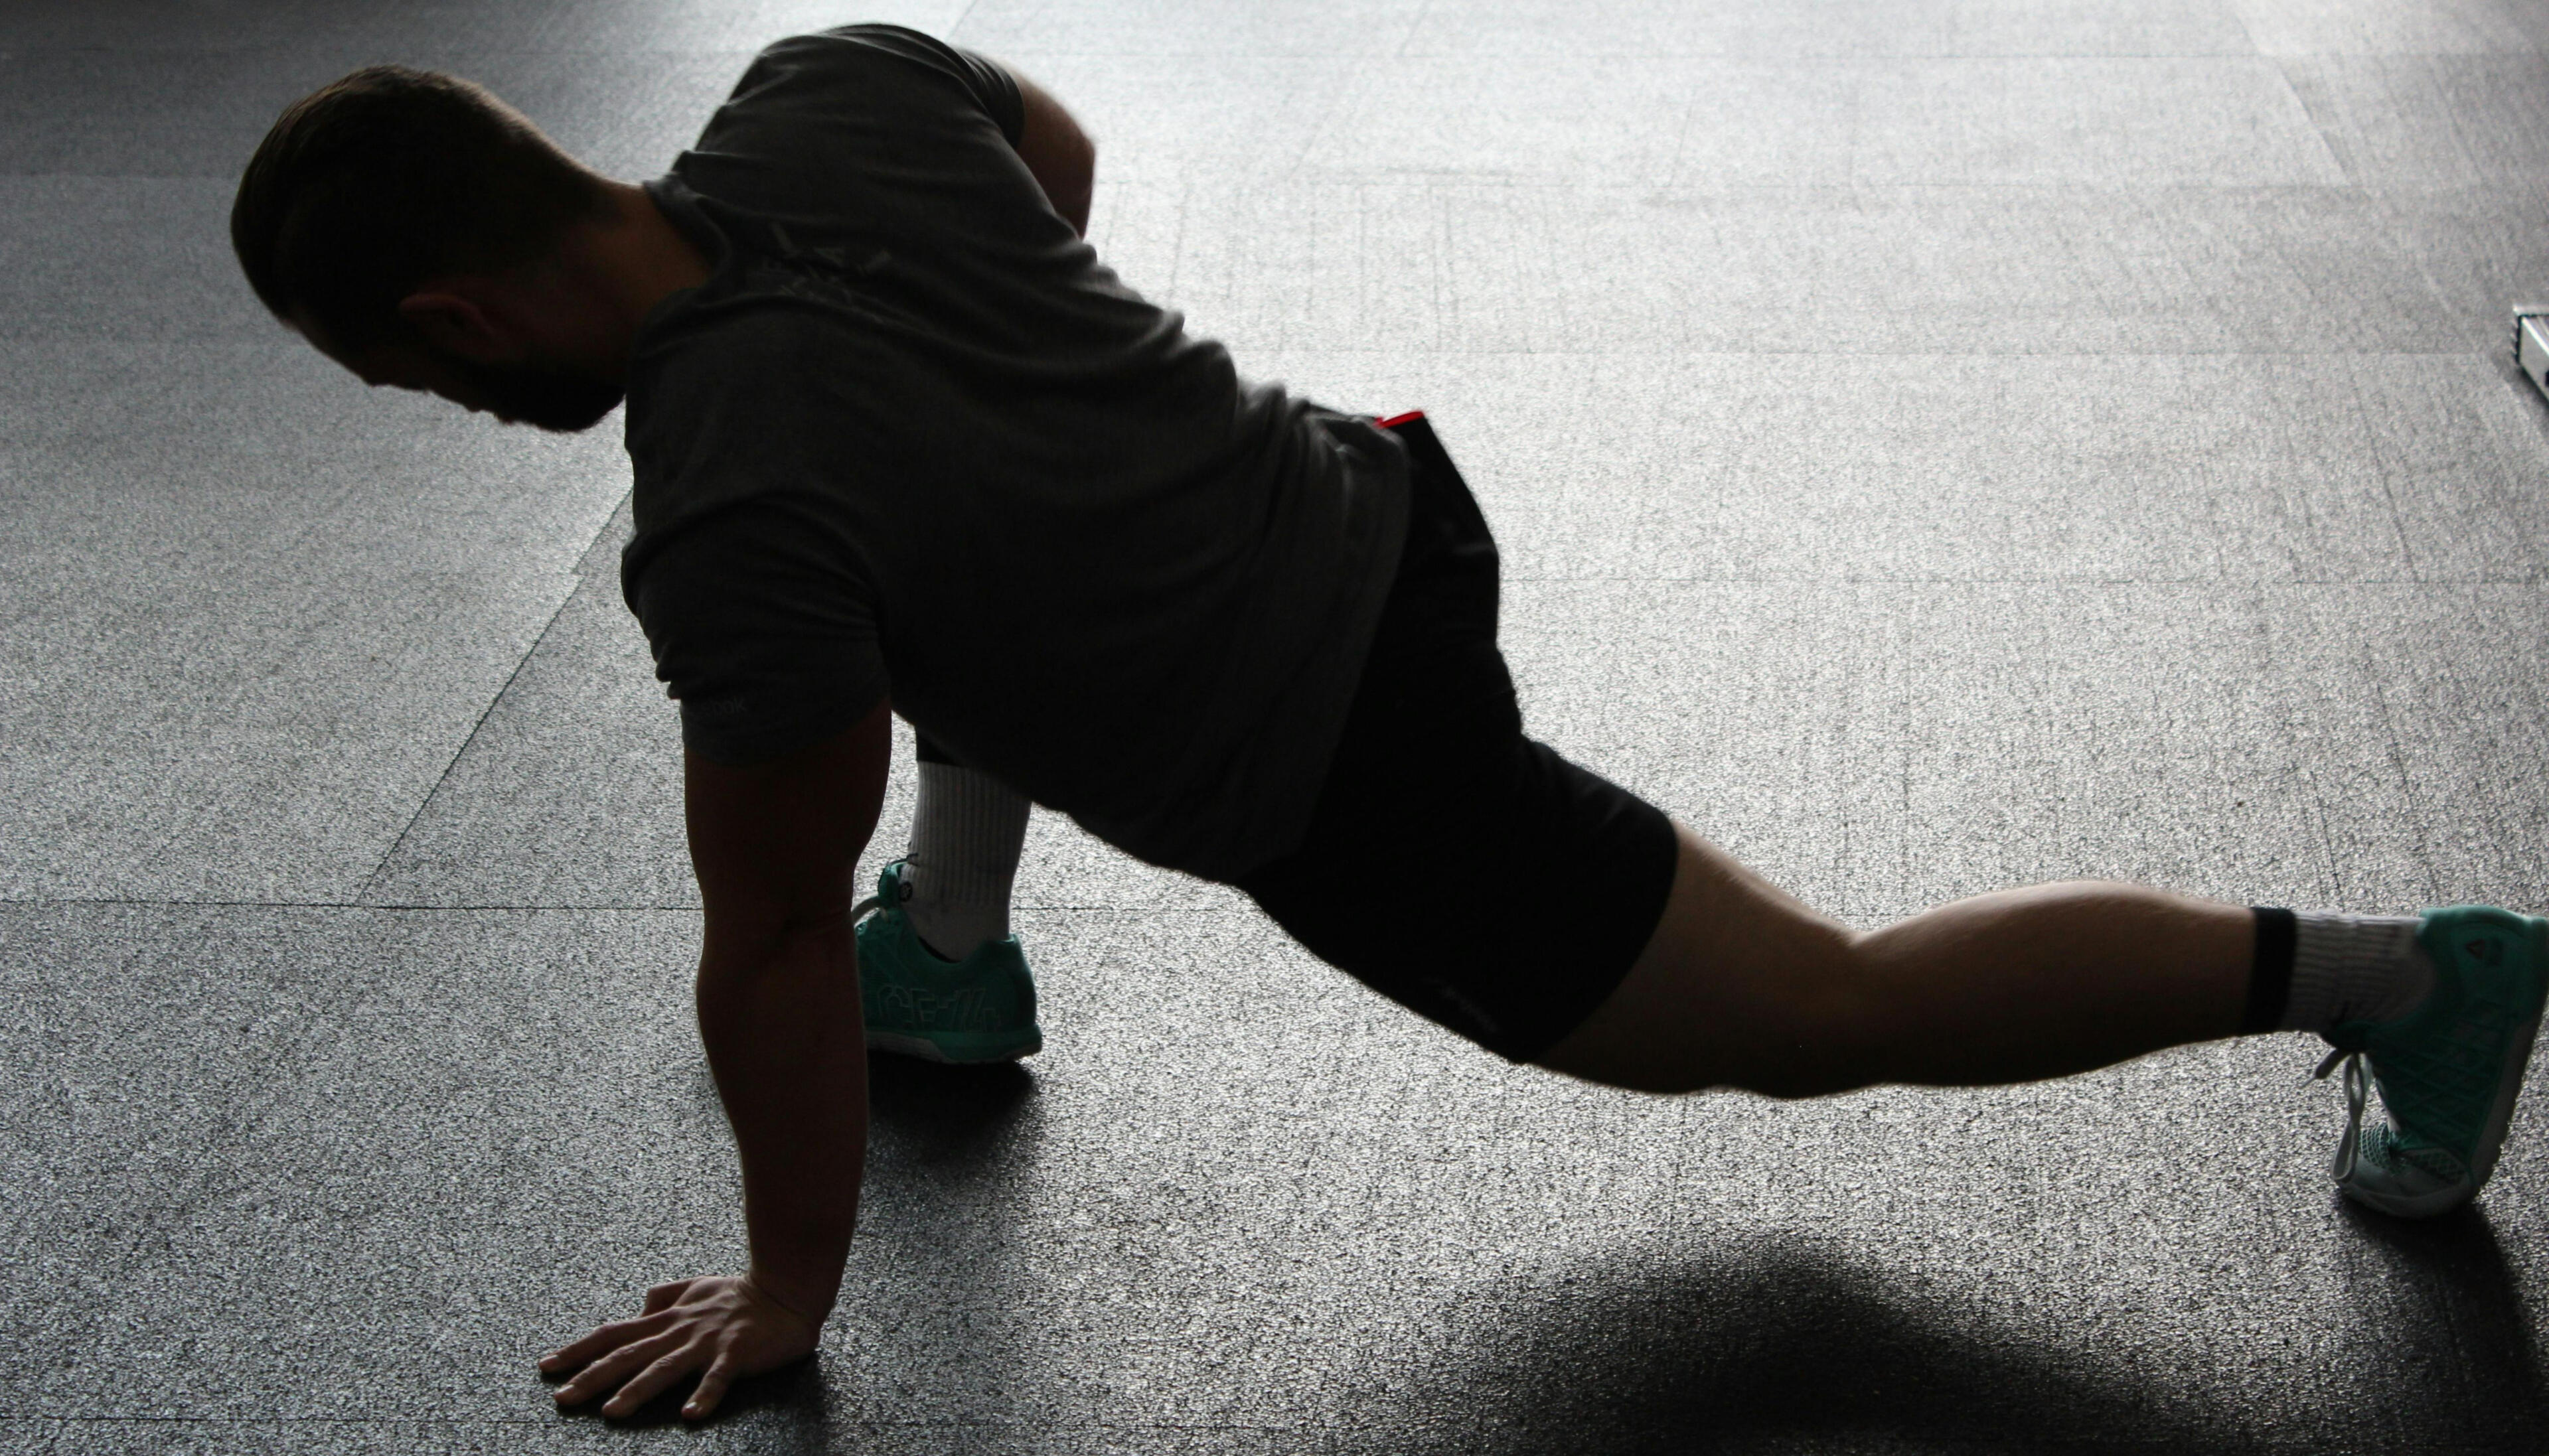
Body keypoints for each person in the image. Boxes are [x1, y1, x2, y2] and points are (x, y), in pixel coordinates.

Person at [228, 25, 2547, 1423]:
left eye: (413, 377)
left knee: (1823, 1014)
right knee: (945, 577)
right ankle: (960, 933)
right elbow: (1058, 171)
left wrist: (794, 1286)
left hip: (1354, 763)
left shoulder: (729, 517)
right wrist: (1037, 421)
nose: (447, 406)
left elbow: (754, 950)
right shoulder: (825, 90)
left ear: (448, 312)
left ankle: (2407, 979)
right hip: (1377, 486)